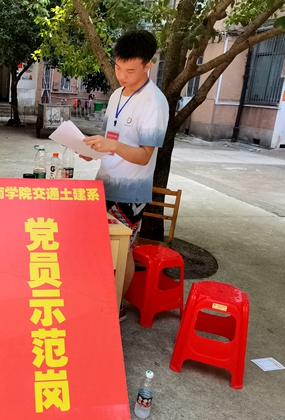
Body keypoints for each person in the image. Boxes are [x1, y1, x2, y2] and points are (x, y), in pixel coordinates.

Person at [81, 30, 169, 321]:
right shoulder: (117, 95)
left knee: (122, 251)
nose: (122, 76)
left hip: (131, 192)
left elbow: (144, 155)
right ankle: (101, 297)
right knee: (101, 248)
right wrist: (93, 151)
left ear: (148, 65)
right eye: (118, 68)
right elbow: (110, 138)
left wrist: (113, 146)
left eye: (130, 71)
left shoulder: (154, 103)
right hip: (104, 183)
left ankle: (115, 306)